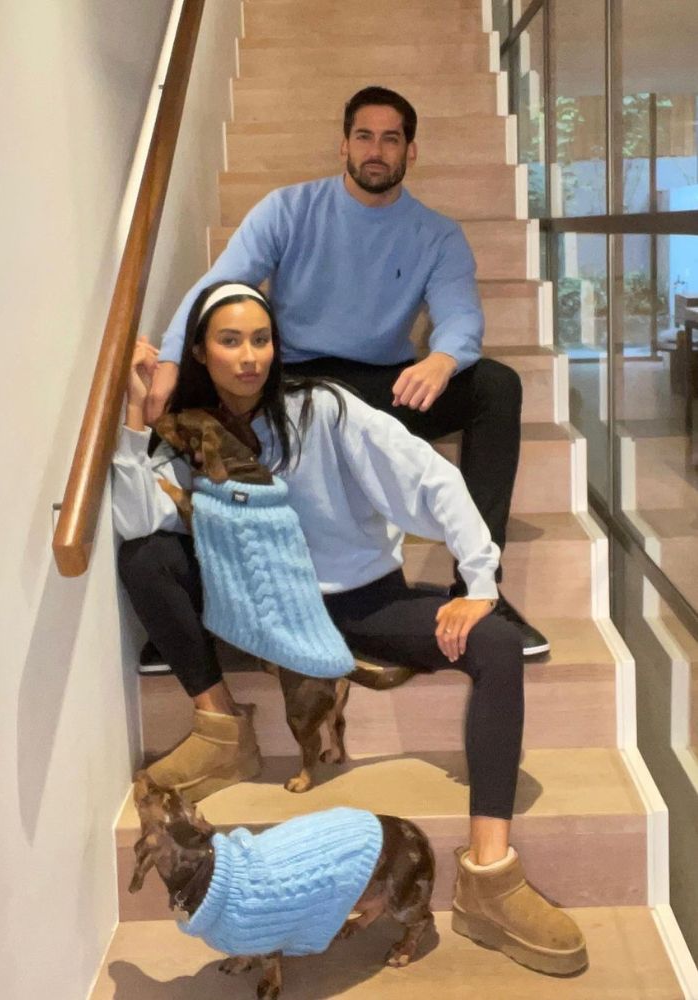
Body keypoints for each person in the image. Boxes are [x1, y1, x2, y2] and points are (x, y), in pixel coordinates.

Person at [113, 283, 587, 976]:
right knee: (145, 554)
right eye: (230, 341)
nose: (249, 357)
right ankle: (221, 730)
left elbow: (432, 478)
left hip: (360, 601)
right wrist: (133, 414)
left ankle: (490, 877)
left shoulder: (323, 409)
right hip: (261, 611)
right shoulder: (184, 431)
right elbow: (134, 519)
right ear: (200, 352)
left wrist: (479, 584)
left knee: (494, 645)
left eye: (260, 340)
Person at [144, 86, 547, 657]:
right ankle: (202, 610)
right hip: (295, 385)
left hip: (383, 384)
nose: (376, 150)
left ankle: (481, 593)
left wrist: (443, 356)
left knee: (495, 387)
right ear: (343, 146)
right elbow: (219, 287)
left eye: (391, 138)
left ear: (411, 152)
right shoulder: (288, 210)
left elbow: (460, 313)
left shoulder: (437, 234)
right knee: (218, 388)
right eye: (364, 136)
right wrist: (167, 357)